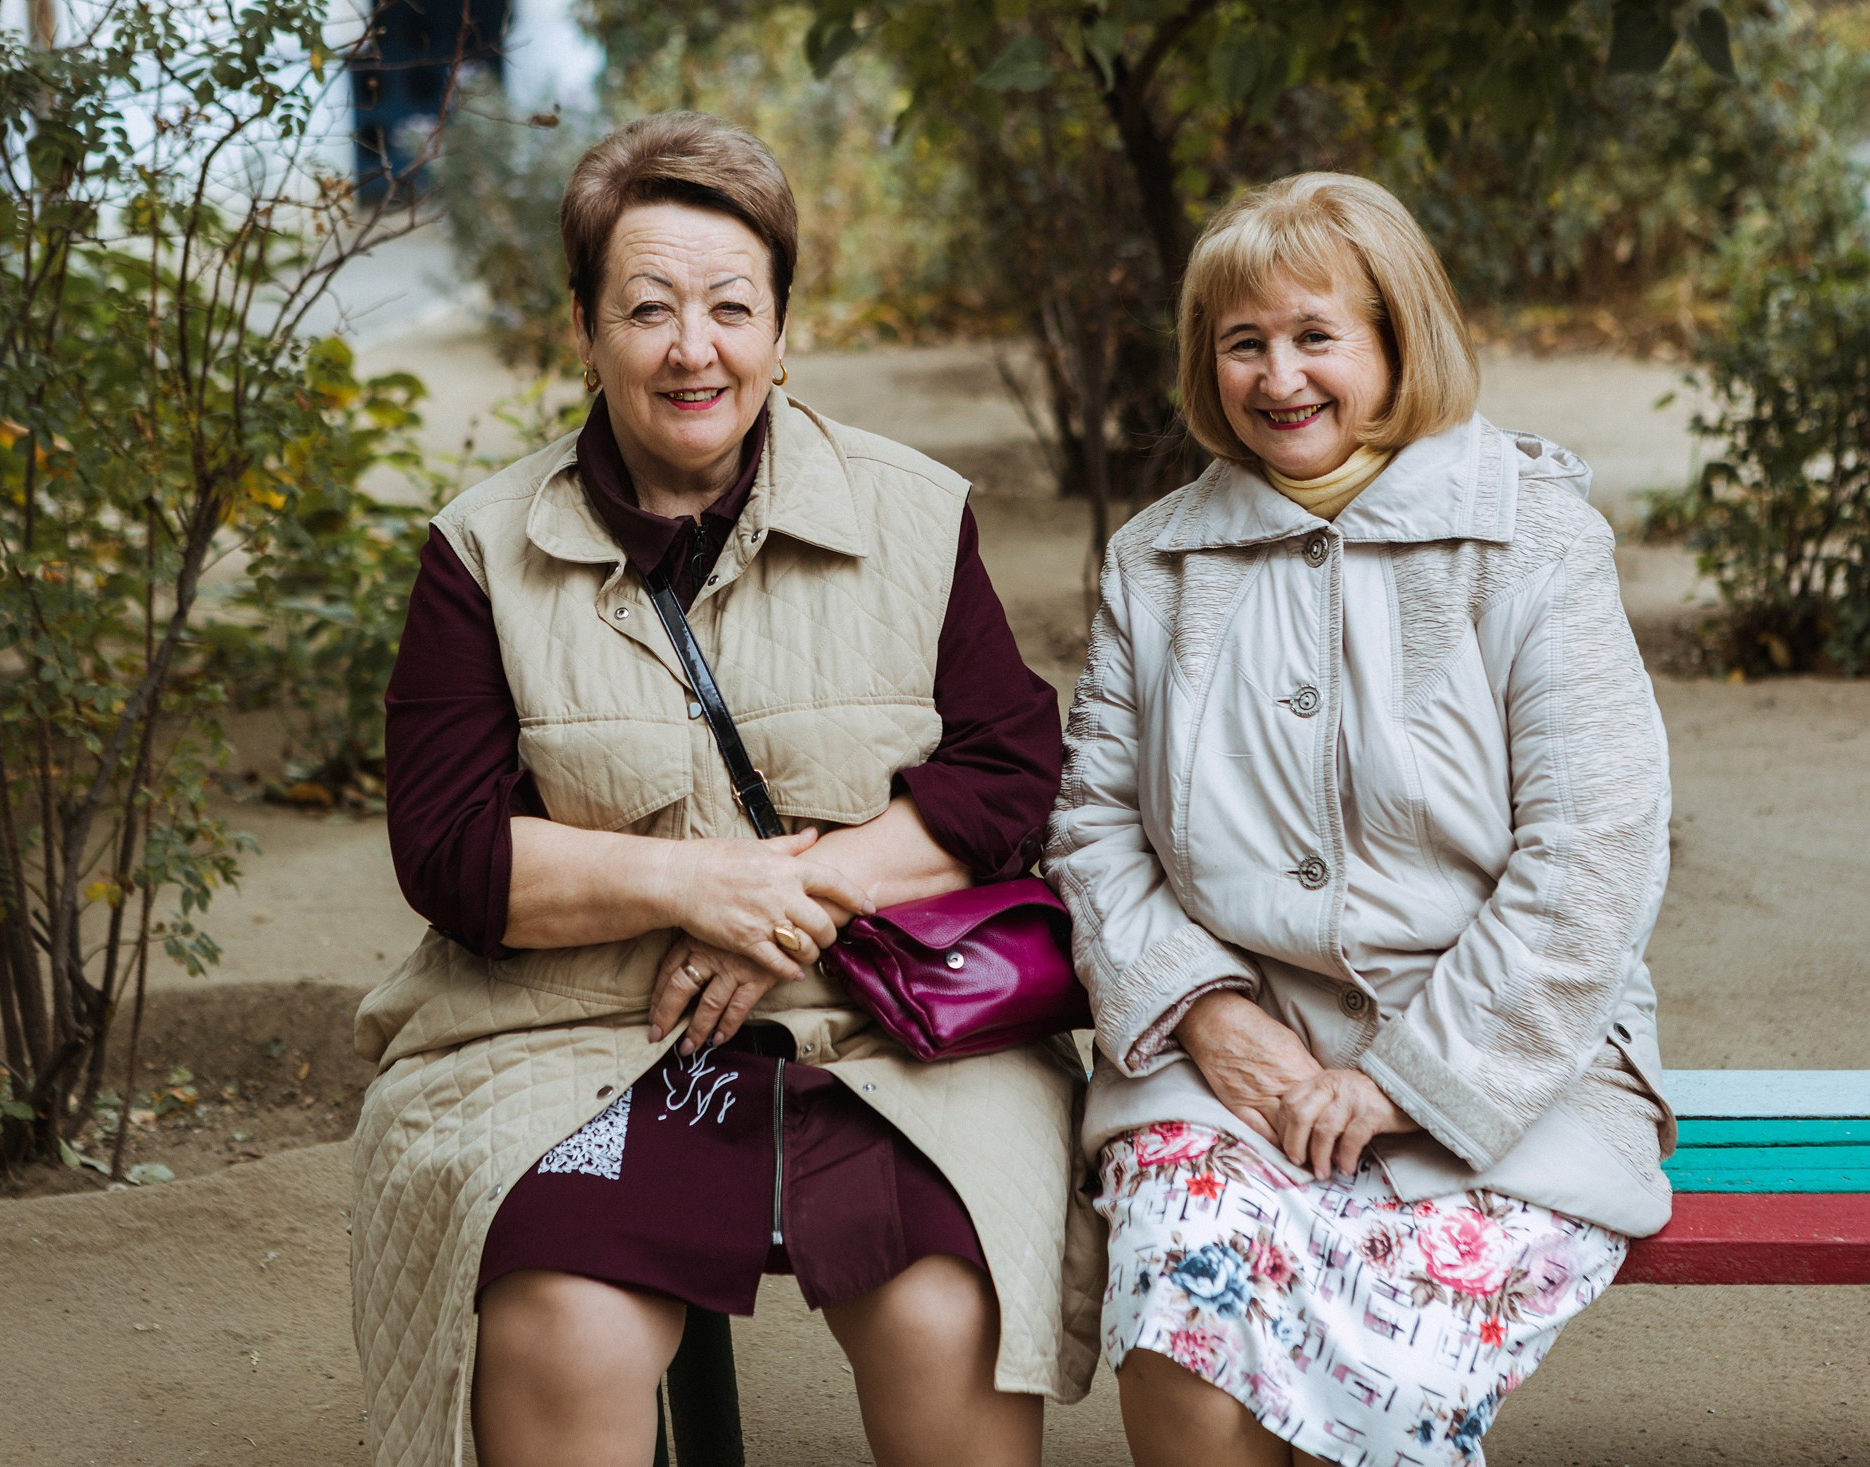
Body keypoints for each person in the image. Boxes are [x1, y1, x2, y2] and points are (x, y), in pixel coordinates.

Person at [348, 112, 1099, 1467]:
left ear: (780, 327)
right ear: (586, 331)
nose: (693, 347)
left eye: (730, 307)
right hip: (573, 1040)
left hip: (881, 1027)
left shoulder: (912, 513)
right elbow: (450, 853)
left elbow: (1008, 769)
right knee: (561, 1330)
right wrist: (695, 884)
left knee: (945, 1312)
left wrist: (785, 899)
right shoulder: (479, 554)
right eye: (647, 308)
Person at [1044, 172, 1676, 1467]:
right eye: (1244, 343)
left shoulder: (1532, 541)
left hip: (1506, 1071)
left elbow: (1593, 857)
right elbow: (1093, 829)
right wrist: (1212, 1019)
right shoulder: (1155, 564)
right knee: (1184, 1322)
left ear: (1398, 340)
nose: (1280, 377)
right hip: (1232, 1066)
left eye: (1316, 335)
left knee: (1374, 1360)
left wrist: (1396, 1082)